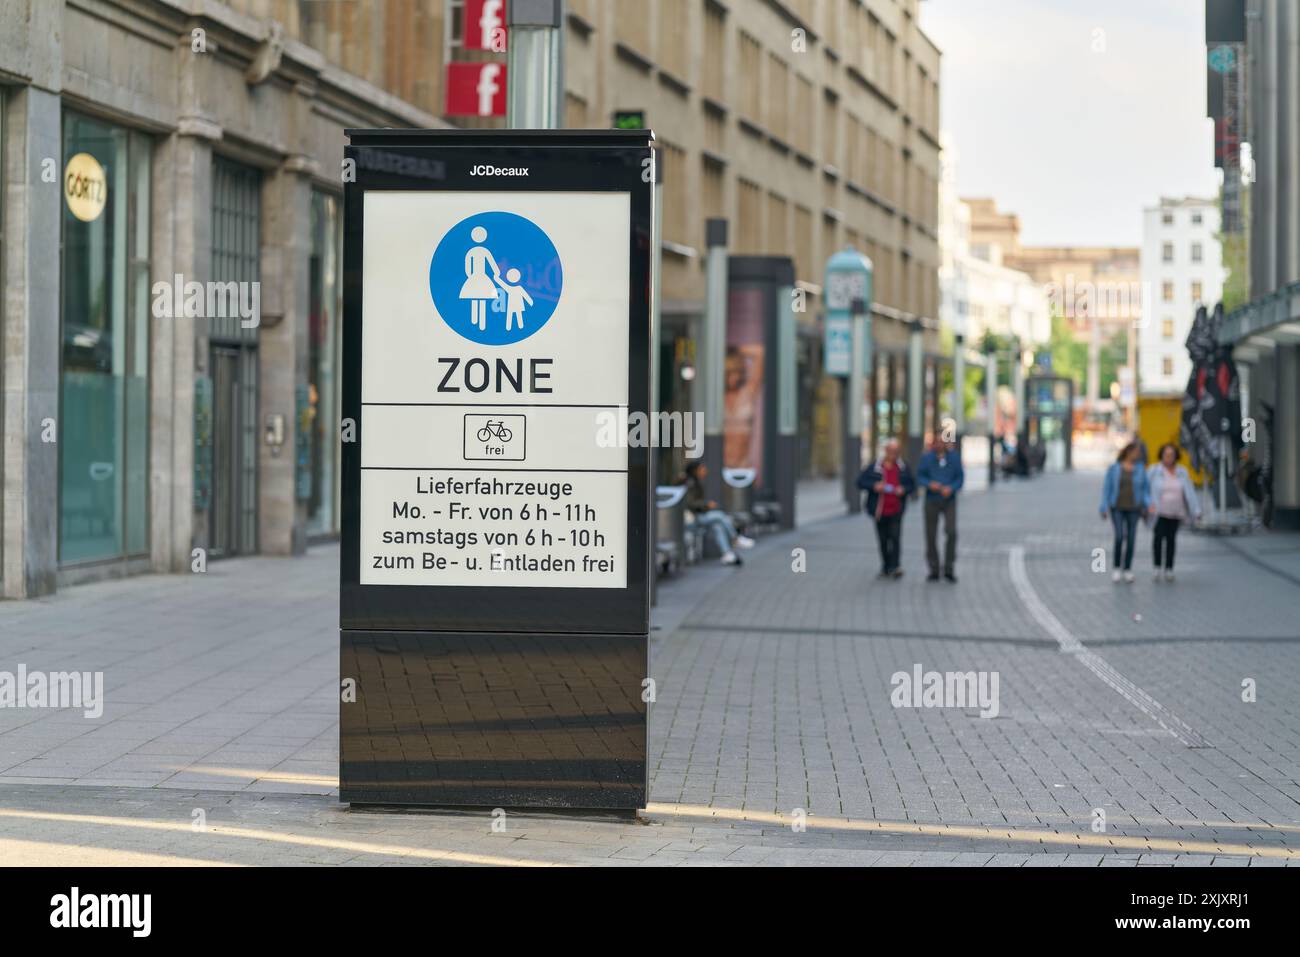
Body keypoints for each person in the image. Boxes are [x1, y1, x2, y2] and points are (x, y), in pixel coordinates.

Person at [857, 439, 916, 579]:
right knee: (883, 539)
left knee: (895, 537)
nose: (893, 454)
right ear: (886, 451)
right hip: (879, 510)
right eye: (890, 451)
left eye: (896, 452)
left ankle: (895, 566)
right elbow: (860, 482)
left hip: (896, 509)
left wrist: (904, 489)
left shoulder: (903, 467)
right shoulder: (875, 467)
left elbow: (912, 484)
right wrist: (875, 486)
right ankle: (885, 566)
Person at [1146, 443, 1202, 582]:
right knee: (1158, 538)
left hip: (1176, 511)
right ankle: (1157, 567)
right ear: (1162, 455)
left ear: (1176, 456)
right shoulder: (1154, 471)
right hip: (1159, 511)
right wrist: (1148, 504)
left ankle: (1169, 568)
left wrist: (1196, 510)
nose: (1169, 457)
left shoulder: (1182, 472)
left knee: (1171, 540)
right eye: (1166, 454)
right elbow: (1145, 489)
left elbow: (1190, 492)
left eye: (1171, 455)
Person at [683, 461, 754, 566]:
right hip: (691, 519)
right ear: (695, 471)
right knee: (720, 516)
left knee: (718, 526)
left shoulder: (695, 483)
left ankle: (727, 554)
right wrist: (706, 505)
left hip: (697, 517)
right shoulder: (690, 483)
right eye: (702, 469)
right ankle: (735, 538)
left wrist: (705, 505)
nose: (705, 471)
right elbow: (690, 503)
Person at [1099, 441, 1150, 583]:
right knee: (1120, 536)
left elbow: (1146, 489)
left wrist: (1148, 504)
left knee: (1131, 538)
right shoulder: (1114, 468)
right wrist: (1104, 507)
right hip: (1117, 507)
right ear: (1128, 452)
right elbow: (1107, 488)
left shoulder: (1140, 469)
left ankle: (1127, 569)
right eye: (1137, 451)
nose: (1139, 454)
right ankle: (1116, 568)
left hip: (1134, 508)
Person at [916, 435, 964, 582]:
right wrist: (930, 484)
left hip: (949, 500)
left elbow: (960, 477)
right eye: (936, 442)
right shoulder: (927, 458)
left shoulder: (954, 458)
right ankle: (934, 568)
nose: (939, 444)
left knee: (951, 532)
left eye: (942, 442)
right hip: (932, 499)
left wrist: (952, 488)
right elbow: (919, 476)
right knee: (931, 534)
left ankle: (949, 567)